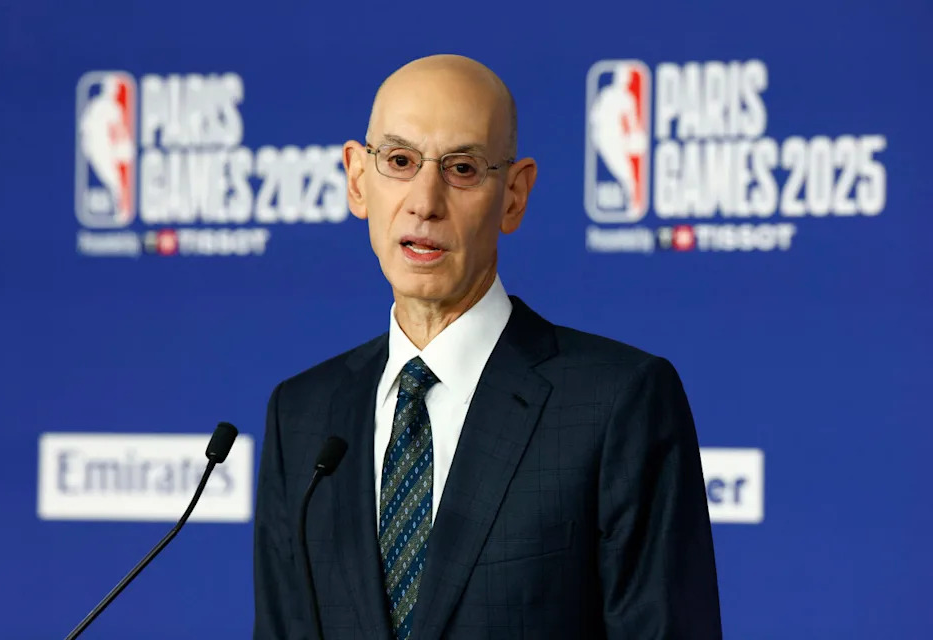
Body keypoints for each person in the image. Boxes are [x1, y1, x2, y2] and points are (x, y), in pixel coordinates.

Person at [253, 54, 722, 640]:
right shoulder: (301, 416)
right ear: (356, 178)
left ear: (514, 195)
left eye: (463, 169)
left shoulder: (617, 402)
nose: (425, 201)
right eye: (399, 161)